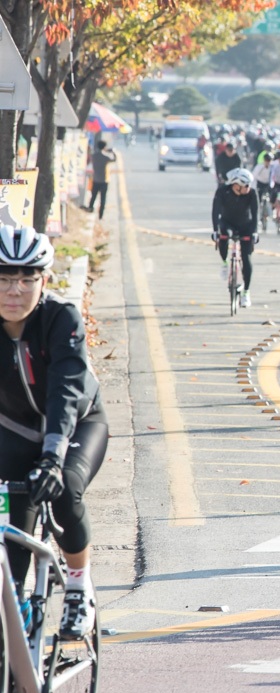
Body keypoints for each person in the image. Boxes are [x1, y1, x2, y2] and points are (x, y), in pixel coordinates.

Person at [0, 226, 106, 640]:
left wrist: (52, 458)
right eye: (5, 278)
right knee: (14, 538)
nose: (15, 290)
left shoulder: (61, 318)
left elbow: (65, 393)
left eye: (27, 279)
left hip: (77, 425)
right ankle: (16, 618)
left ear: (43, 280)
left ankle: (79, 588)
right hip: (15, 430)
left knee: (64, 490)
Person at [211, 168, 259, 307]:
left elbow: (255, 214)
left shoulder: (252, 194)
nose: (248, 188)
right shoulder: (222, 191)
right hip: (228, 223)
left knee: (246, 258)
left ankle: (246, 292)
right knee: (224, 236)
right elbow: (215, 211)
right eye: (246, 185)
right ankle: (225, 262)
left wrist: (255, 232)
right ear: (236, 185)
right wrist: (215, 230)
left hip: (245, 226)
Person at [87, 140, 116, 220]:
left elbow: (89, 157)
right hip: (104, 181)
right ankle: (101, 214)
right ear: (104, 147)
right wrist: (112, 152)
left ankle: (90, 208)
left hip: (95, 179)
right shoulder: (105, 157)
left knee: (93, 196)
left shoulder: (94, 156)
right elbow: (114, 160)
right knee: (103, 198)